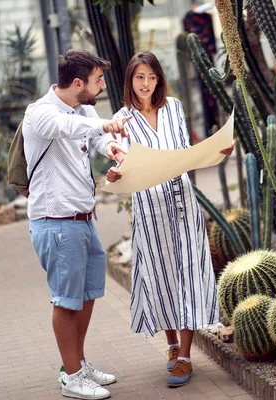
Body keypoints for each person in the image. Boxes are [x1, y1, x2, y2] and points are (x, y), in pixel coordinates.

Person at [106, 51, 233, 387]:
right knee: (161, 275)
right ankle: (172, 345)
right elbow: (116, 157)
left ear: (159, 79)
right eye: (139, 77)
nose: (146, 84)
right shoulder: (122, 119)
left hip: (184, 206)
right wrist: (116, 174)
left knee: (188, 273)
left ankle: (186, 357)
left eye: (152, 77)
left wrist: (218, 152)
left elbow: (185, 153)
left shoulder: (174, 107)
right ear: (130, 80)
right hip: (150, 210)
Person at [24, 49, 131, 400]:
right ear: (77, 83)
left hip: (83, 219)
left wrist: (112, 145)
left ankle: (78, 363)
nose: (102, 86)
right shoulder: (41, 113)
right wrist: (104, 123)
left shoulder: (83, 108)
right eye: (98, 80)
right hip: (56, 222)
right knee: (66, 300)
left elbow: (95, 136)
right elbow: (70, 128)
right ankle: (71, 376)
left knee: (85, 297)